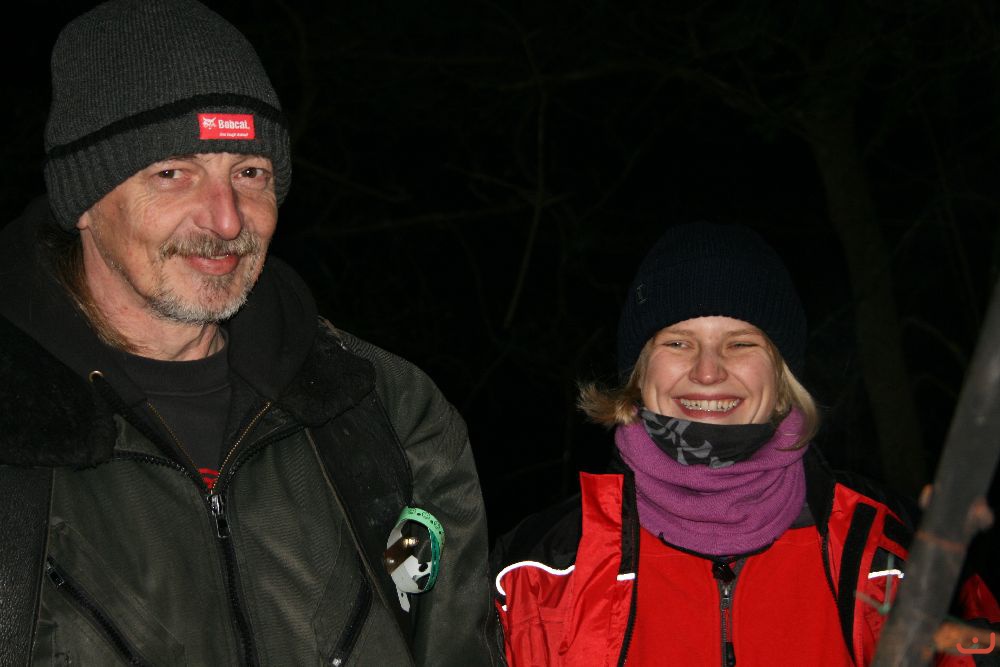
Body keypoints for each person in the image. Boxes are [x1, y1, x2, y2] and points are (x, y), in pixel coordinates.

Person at [0, 1, 502, 665]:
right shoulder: (20, 428)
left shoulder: (388, 411)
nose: (227, 219)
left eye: (250, 173)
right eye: (172, 173)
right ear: (84, 200)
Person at [490, 222, 1000, 665]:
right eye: (678, 342)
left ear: (781, 375)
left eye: (740, 343)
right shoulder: (535, 575)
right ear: (640, 374)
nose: (708, 371)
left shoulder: (893, 554)